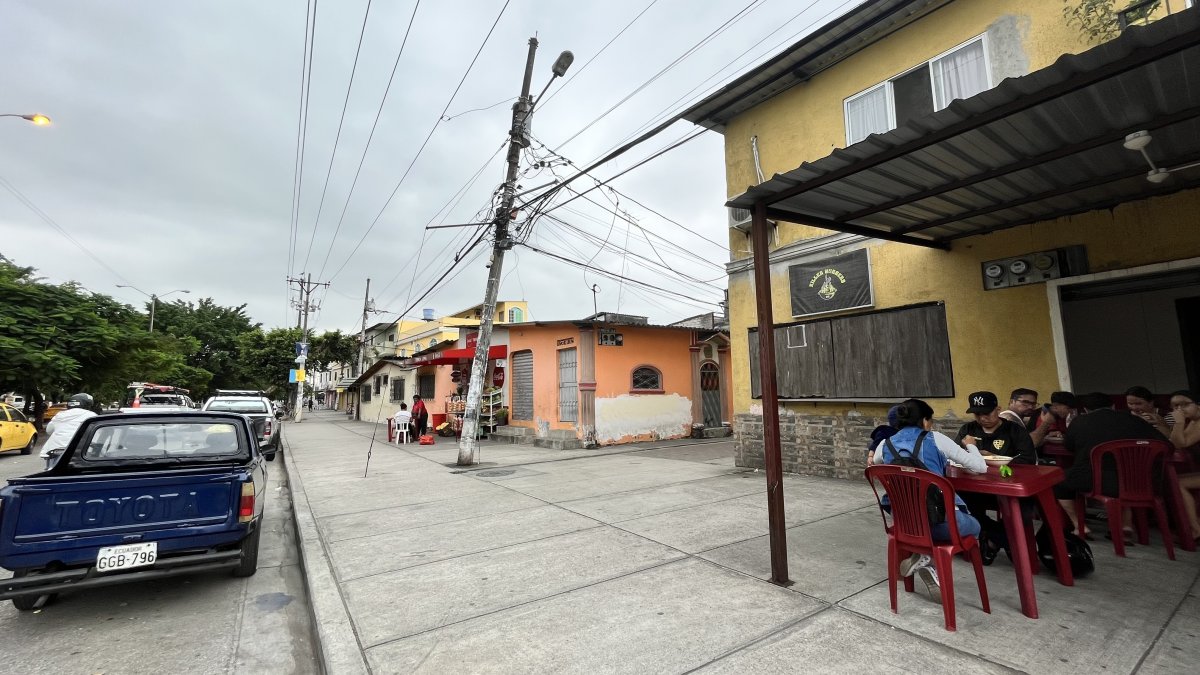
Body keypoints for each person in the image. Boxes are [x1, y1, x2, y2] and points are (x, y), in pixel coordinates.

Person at [873, 399, 987, 601]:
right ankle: (929, 561)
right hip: (942, 525)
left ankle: (926, 558)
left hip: (904, 525)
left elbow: (876, 463)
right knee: (976, 526)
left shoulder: (884, 445)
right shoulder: (936, 439)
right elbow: (979, 467)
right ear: (925, 421)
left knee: (931, 526)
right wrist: (971, 446)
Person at [1054, 391, 1168, 539]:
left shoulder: (1080, 421)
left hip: (1095, 480)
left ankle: (1079, 526)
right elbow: (1164, 443)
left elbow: (1069, 446)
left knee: (1058, 481)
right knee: (1121, 473)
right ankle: (1125, 524)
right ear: (1113, 406)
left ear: (1086, 410)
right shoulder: (1134, 420)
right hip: (1139, 481)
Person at [954, 391, 1038, 560]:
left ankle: (992, 541)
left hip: (1009, 488)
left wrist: (991, 457)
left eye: (987, 413)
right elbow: (955, 455)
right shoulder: (968, 429)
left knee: (1024, 510)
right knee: (958, 503)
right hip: (976, 488)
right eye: (978, 414)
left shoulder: (1014, 431)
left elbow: (1028, 458)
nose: (982, 418)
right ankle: (1003, 539)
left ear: (998, 409)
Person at [1167, 391, 1200, 543]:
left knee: (1180, 483)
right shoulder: (1193, 421)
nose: (1180, 409)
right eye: (1176, 406)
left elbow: (1181, 444)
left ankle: (1195, 529)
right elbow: (1176, 444)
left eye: (1185, 404)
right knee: (1175, 481)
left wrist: (1178, 423)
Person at [41, 393, 98, 470]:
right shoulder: (91, 415)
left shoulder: (60, 415)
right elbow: (97, 434)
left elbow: (49, 430)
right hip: (80, 451)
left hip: (56, 450)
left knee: (51, 474)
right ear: (86, 404)